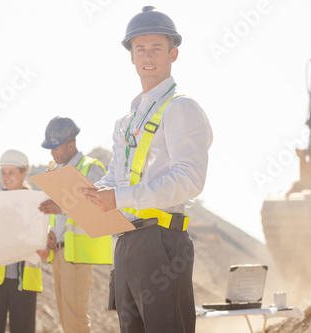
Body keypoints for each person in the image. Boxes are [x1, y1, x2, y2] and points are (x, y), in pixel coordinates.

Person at [81, 6, 213, 333]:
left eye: (156, 48)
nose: (147, 55)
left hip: (161, 240)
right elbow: (116, 177)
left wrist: (120, 196)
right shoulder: (127, 121)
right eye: (140, 48)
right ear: (131, 56)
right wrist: (88, 195)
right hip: (127, 241)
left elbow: (189, 179)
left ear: (173, 54)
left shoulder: (181, 107)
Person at [38, 116, 112, 333]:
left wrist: (61, 207)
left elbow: (99, 206)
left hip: (78, 255)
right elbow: (60, 218)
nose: (52, 152)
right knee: (66, 319)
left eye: (55, 146)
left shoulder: (91, 167)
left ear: (71, 143)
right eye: (49, 147)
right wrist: (50, 232)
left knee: (75, 319)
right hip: (60, 252)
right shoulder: (58, 172)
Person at [0, 149, 43, 333]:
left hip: (24, 282)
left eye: (11, 173)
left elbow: (43, 238)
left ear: (24, 173)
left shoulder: (37, 204)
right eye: (3, 173)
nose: (6, 178)